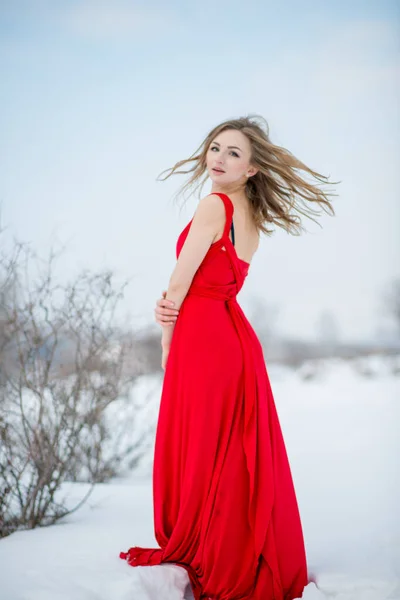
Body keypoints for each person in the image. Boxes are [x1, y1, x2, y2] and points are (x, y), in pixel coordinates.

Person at [120, 115, 335, 600]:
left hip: (203, 335)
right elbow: (216, 281)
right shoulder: (250, 216)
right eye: (215, 148)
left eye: (233, 153)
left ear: (253, 168)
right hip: (231, 334)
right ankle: (234, 545)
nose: (218, 158)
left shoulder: (214, 205)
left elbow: (180, 281)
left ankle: (215, 549)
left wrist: (166, 335)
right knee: (228, 449)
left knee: (205, 444)